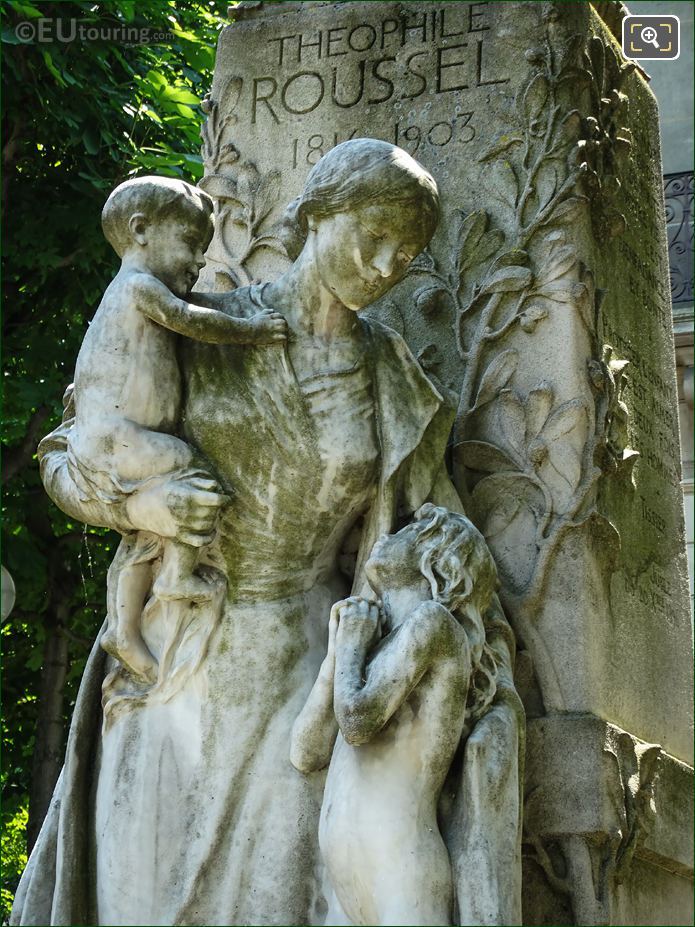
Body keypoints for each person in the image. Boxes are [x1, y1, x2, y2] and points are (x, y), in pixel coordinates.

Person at [13, 140, 522, 927]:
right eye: (372, 233)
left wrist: (461, 547)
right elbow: (69, 454)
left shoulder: (388, 371)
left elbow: (438, 515)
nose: (386, 263)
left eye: (407, 251)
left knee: (273, 899)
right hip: (177, 658)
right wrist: (138, 509)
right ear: (317, 213)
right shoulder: (200, 326)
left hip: (306, 668)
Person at [69, 175, 286, 682]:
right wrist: (252, 331)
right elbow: (192, 320)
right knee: (196, 476)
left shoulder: (126, 296)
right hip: (118, 439)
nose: (200, 262)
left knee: (151, 528)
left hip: (120, 440)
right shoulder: (139, 288)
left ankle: (123, 631)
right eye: (191, 243)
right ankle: (177, 578)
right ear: (141, 230)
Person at [291, 505, 500, 927]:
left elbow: (357, 722)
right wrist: (336, 659)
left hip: (401, 875)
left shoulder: (434, 625)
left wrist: (350, 645)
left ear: (439, 560)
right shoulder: (372, 639)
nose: (388, 533)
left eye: (415, 529)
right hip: (347, 885)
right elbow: (305, 752)